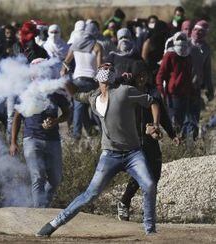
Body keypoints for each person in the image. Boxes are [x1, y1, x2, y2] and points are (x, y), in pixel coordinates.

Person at [37, 63, 159, 237]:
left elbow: (152, 102)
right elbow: (76, 94)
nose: (108, 68)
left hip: (133, 153)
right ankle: (54, 223)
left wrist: (154, 124)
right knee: (90, 194)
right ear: (97, 77)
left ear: (113, 75)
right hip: (110, 154)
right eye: (104, 67)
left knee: (149, 185)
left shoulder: (124, 91)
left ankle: (150, 230)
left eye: (110, 68)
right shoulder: (93, 97)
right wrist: (64, 77)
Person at [117, 61, 179, 221]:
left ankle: (147, 209)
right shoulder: (127, 91)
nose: (142, 78)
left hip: (150, 137)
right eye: (139, 75)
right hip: (133, 138)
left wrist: (172, 134)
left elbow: (163, 114)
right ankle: (124, 202)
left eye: (145, 74)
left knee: (155, 173)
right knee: (140, 173)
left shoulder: (153, 92)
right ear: (134, 76)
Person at [10, 58, 70, 208]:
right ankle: (39, 212)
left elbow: (67, 113)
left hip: (53, 140)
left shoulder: (55, 91)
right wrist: (13, 142)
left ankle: (43, 206)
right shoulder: (25, 92)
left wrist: (55, 121)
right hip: (31, 138)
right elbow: (17, 117)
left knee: (56, 179)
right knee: (37, 177)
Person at [61, 22, 103, 140]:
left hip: (77, 81)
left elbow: (66, 62)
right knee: (96, 109)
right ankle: (102, 134)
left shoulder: (75, 44)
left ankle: (76, 136)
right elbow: (100, 68)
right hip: (92, 82)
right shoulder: (97, 46)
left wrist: (63, 71)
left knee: (78, 109)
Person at [156, 32, 192, 136]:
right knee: (174, 122)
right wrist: (161, 91)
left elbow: (189, 74)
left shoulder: (188, 55)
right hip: (173, 95)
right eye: (179, 38)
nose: (181, 41)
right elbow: (160, 75)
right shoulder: (170, 55)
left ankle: (182, 145)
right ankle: (174, 144)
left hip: (186, 93)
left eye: (183, 38)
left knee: (184, 122)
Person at [186, 20, 213, 139]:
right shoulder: (185, 44)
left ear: (205, 34)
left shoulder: (206, 49)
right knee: (182, 119)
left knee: (194, 118)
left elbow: (207, 71)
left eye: (201, 31)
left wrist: (210, 89)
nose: (197, 33)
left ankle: (191, 147)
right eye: (195, 29)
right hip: (181, 88)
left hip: (196, 88)